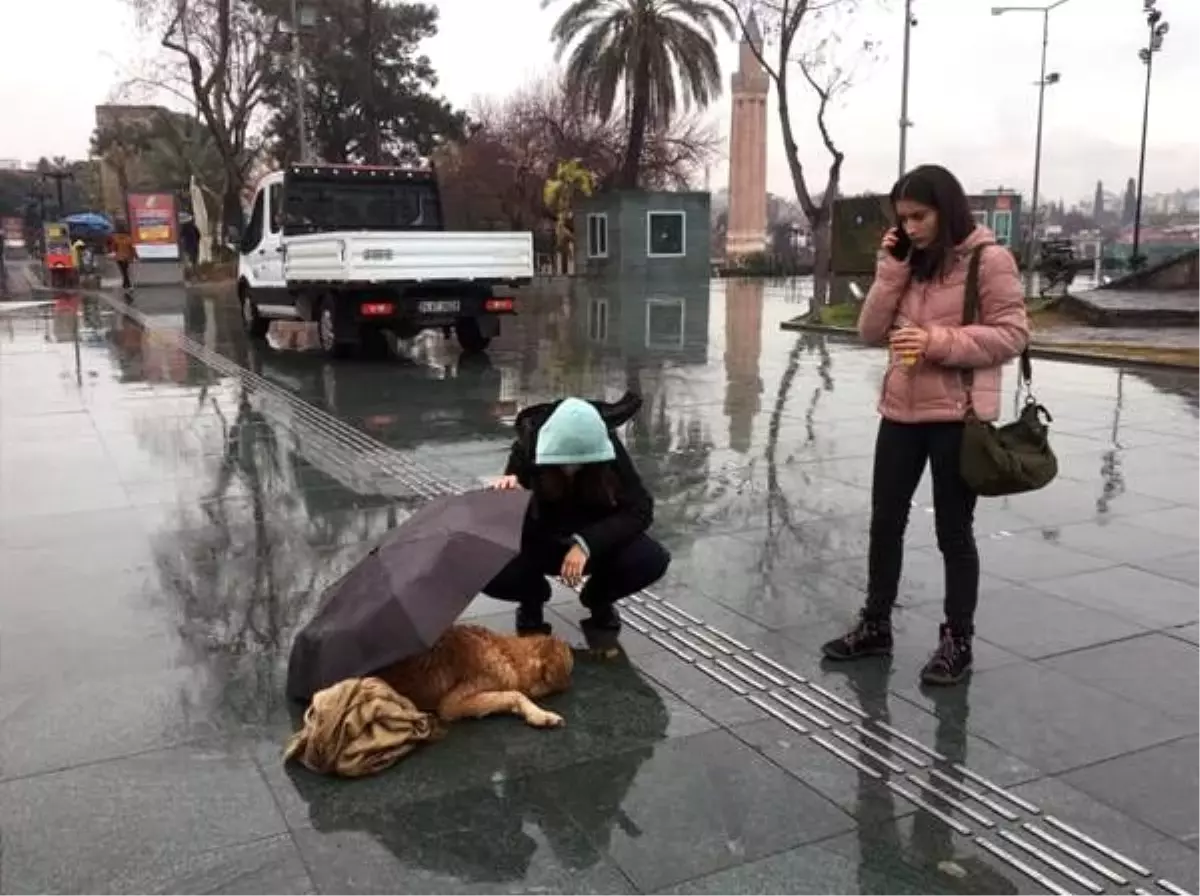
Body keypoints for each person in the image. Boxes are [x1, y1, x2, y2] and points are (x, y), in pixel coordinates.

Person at [821, 164, 1029, 686]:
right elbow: (869, 331)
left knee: (952, 532)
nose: (910, 227)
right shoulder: (906, 262)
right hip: (900, 411)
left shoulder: (989, 259)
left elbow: (1011, 335)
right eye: (903, 219)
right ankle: (875, 624)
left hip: (956, 417)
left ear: (946, 210)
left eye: (920, 216)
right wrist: (890, 270)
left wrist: (936, 342)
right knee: (884, 522)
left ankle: (957, 639)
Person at [485, 394, 671, 639]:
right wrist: (513, 498)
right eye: (562, 463)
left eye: (582, 463)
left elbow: (640, 509)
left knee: (650, 559)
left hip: (595, 544)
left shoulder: (605, 444)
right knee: (486, 566)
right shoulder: (529, 444)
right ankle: (531, 601)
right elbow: (507, 525)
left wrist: (587, 543)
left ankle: (598, 598)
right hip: (541, 541)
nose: (571, 469)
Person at [109, 224, 136, 289]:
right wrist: (136, 257)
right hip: (127, 257)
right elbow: (132, 248)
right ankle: (128, 284)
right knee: (125, 271)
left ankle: (125, 284)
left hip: (119, 258)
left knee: (123, 271)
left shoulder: (116, 238)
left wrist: (113, 252)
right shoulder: (128, 238)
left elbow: (113, 247)